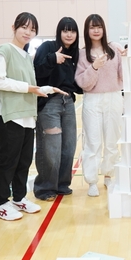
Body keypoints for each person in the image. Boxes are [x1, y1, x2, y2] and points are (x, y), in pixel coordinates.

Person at [0, 12, 53, 221]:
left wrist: (43, 89)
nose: (28, 32)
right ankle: (0, 203)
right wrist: (27, 88)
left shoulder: (26, 55)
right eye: (24, 27)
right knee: (9, 160)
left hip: (26, 114)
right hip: (9, 114)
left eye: (32, 29)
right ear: (13, 27)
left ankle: (18, 198)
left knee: (24, 160)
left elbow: (30, 86)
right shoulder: (4, 50)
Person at [33, 17, 82, 201]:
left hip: (68, 102)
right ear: (59, 32)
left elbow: (77, 83)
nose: (69, 34)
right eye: (65, 30)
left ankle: (62, 184)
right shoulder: (48, 47)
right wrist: (53, 59)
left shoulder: (75, 54)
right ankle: (45, 188)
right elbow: (36, 72)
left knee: (69, 146)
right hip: (49, 102)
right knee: (50, 148)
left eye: (72, 31)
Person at [75, 14, 124, 197]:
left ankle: (109, 174)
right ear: (86, 31)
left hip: (114, 97)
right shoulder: (82, 54)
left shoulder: (114, 49)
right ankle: (91, 181)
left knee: (112, 140)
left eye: (99, 27)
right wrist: (94, 67)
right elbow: (83, 83)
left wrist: (127, 58)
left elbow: (123, 76)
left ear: (104, 29)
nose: (96, 30)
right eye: (92, 27)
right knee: (93, 142)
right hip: (92, 99)